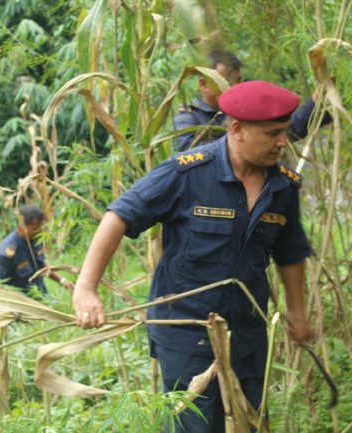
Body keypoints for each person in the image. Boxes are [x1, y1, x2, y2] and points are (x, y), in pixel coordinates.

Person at [73, 80, 313, 432]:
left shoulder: (283, 187)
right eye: (273, 133)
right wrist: (86, 288)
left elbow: (290, 252)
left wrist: (297, 311)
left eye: (284, 132)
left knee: (252, 422)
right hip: (186, 333)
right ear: (237, 130)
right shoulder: (187, 173)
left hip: (248, 334)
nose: (283, 141)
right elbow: (119, 216)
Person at [173, 50, 332, 152]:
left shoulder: (250, 110)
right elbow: (192, 154)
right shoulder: (188, 119)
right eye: (225, 81)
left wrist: (315, 103)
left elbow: (289, 130)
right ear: (203, 84)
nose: (234, 87)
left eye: (238, 80)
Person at [0, 204, 74, 296]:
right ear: (21, 227)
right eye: (35, 228)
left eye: (40, 227)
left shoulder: (35, 239)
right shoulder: (6, 254)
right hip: (24, 305)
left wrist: (63, 281)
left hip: (42, 296)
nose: (39, 231)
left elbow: (41, 264)